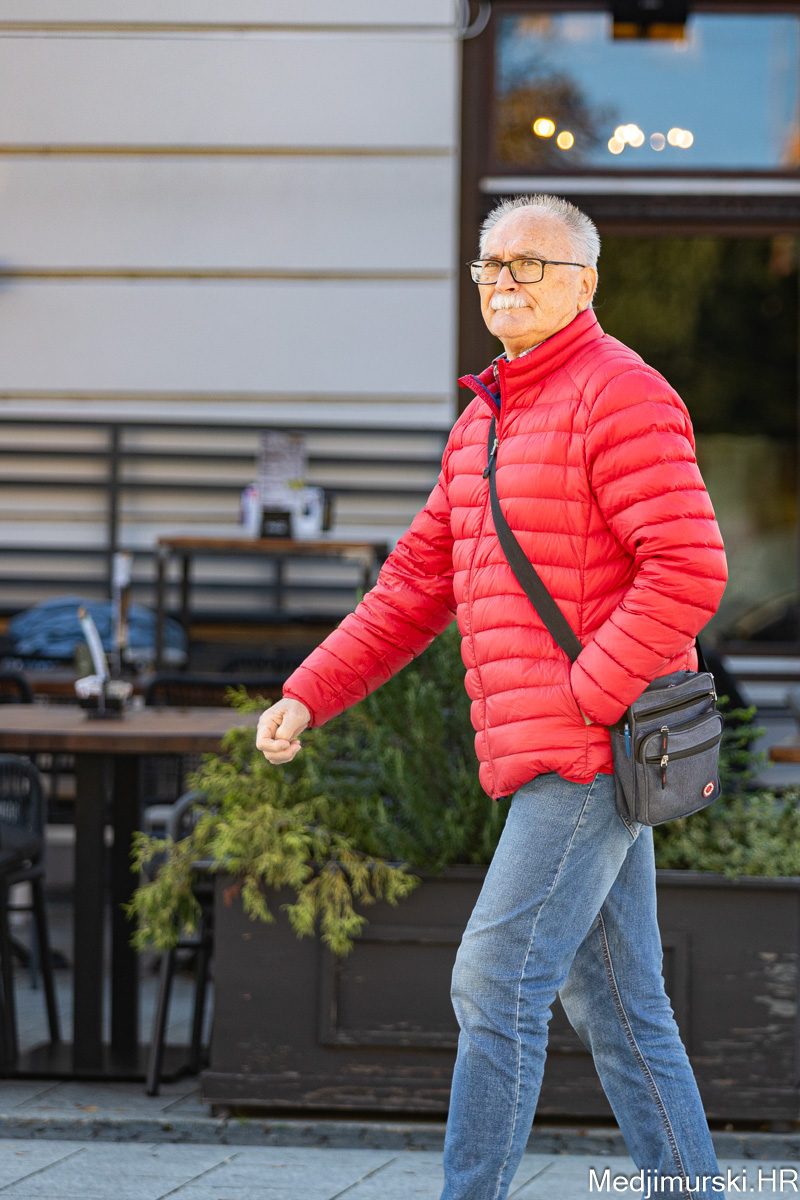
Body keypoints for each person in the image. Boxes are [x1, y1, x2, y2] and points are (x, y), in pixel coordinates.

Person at [256, 194, 728, 1200]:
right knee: (618, 1004)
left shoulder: (621, 393)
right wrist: (310, 692)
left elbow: (688, 567)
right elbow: (412, 585)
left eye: (529, 264)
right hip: (565, 743)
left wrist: (590, 692)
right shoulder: (485, 417)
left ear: (584, 282)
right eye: (491, 266)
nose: (504, 281)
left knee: (494, 977)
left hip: (585, 747)